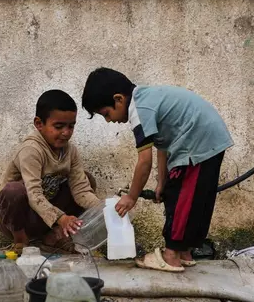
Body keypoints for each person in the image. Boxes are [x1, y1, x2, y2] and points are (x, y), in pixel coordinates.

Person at [81, 68, 234, 272]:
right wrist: (161, 182)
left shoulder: (139, 110)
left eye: (106, 114)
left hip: (196, 142)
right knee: (195, 199)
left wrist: (131, 197)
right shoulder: (149, 100)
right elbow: (162, 146)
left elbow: (144, 161)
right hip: (207, 139)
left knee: (182, 200)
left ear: (119, 99)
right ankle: (184, 252)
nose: (109, 120)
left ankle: (171, 255)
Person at [0, 89, 101, 254]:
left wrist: (103, 210)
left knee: (87, 180)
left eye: (71, 126)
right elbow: (34, 195)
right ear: (39, 124)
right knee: (13, 191)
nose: (66, 132)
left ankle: (52, 238)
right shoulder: (31, 150)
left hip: (45, 216)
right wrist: (61, 218)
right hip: (19, 218)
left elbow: (81, 190)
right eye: (58, 126)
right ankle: (21, 241)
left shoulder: (70, 151)